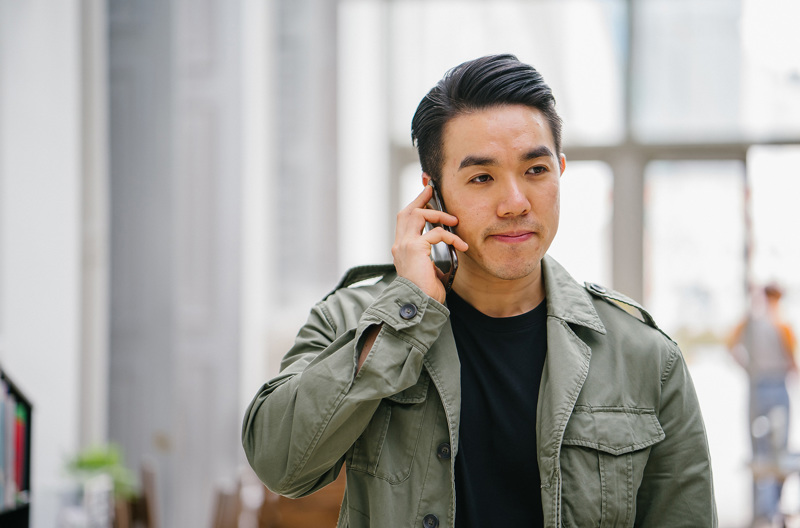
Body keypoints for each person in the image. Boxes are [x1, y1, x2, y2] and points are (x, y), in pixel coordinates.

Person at [242, 54, 717, 527]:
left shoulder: (644, 356)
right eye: (482, 177)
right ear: (434, 194)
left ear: (560, 172)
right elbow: (279, 463)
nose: (515, 203)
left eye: (535, 170)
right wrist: (405, 315)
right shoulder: (353, 319)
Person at [728, 283, 797, 525]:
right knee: (776, 451)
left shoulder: (751, 321)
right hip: (776, 386)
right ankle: (771, 510)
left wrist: (748, 369)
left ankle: (762, 512)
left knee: (761, 450)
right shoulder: (781, 324)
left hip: (758, 386)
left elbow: (731, 346)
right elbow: (792, 360)